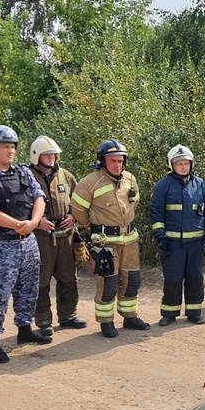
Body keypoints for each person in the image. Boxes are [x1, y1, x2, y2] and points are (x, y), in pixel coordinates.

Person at [0, 125, 52, 364]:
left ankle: (24, 329)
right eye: (5, 146)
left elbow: (39, 197)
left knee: (29, 288)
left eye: (13, 146)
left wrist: (34, 222)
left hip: (28, 241)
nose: (11, 151)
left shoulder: (23, 172)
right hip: (3, 244)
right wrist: (18, 224)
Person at [71, 139, 150, 338]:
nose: (117, 165)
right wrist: (95, 228)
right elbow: (78, 210)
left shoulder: (130, 179)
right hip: (105, 243)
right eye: (112, 160)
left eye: (120, 161)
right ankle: (106, 322)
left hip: (130, 241)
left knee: (131, 280)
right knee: (108, 283)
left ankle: (130, 316)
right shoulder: (89, 182)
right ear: (102, 161)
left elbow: (134, 202)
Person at [151, 145, 205, 325]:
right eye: (179, 164)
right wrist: (160, 235)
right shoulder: (163, 186)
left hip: (196, 244)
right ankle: (169, 314)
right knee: (173, 278)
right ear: (172, 165)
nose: (183, 167)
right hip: (172, 244)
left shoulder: (201, 185)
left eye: (186, 163)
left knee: (195, 278)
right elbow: (156, 212)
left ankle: (194, 313)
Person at [28, 136, 87, 335]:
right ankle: (44, 321)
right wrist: (38, 221)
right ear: (36, 156)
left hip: (66, 236)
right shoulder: (26, 177)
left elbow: (78, 200)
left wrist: (73, 216)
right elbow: (20, 205)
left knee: (68, 278)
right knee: (41, 280)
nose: (52, 158)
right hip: (40, 237)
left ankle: (68, 316)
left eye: (54, 154)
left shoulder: (66, 175)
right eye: (47, 154)